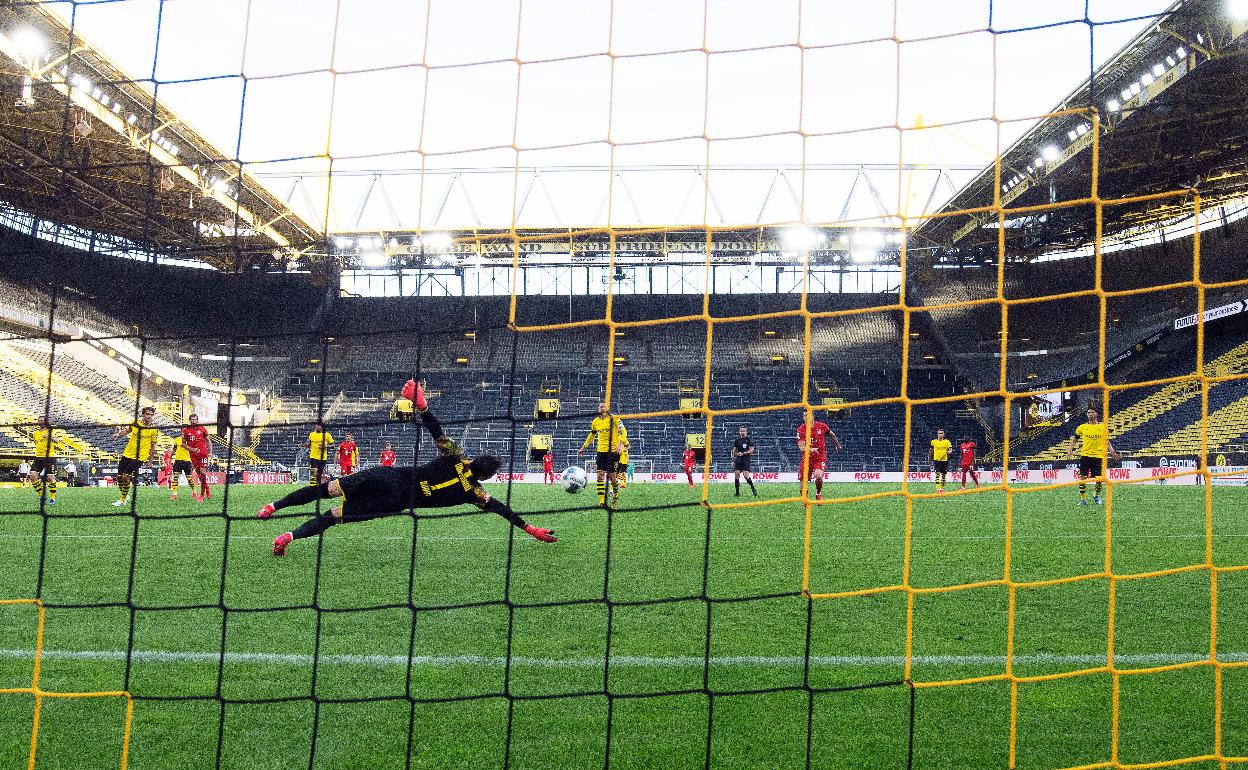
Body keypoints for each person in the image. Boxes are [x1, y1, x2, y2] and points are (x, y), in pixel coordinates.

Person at [258, 380, 556, 556]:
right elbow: (501, 508)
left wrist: (422, 405)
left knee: (325, 489)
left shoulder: (456, 457)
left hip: (390, 476)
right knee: (333, 516)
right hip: (394, 501)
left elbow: (435, 431)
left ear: (474, 460)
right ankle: (288, 537)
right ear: (487, 476)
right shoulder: (476, 493)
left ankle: (274, 505)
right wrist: (530, 529)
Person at [1066, 406, 1120, 505]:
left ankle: (1096, 496)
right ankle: (1083, 499)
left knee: (1099, 479)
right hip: (1085, 456)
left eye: (1092, 412)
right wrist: (1070, 450)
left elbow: (1106, 441)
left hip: (1099, 456)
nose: (1090, 414)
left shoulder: (1103, 426)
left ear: (1096, 414)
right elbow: (1074, 440)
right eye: (1088, 412)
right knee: (1082, 478)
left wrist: (1112, 451)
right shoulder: (1082, 427)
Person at [578, 402, 624, 509]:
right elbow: (592, 435)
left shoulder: (615, 418)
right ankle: (602, 502)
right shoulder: (595, 421)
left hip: (613, 451)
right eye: (601, 406)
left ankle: (615, 497)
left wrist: (621, 444)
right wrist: (584, 447)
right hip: (601, 452)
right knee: (599, 476)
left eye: (604, 406)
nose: (603, 408)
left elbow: (623, 431)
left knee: (612, 477)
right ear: (598, 409)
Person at [112, 406, 159, 506]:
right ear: (143, 414)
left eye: (151, 414)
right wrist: (118, 434)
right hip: (128, 453)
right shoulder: (136, 423)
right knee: (119, 477)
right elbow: (127, 431)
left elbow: (153, 446)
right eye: (147, 414)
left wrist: (150, 461)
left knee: (126, 476)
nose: (149, 416)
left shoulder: (154, 429)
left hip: (140, 455)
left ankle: (123, 500)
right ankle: (124, 495)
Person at [796, 416, 841, 501]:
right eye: (804, 416)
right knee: (803, 483)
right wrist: (811, 449)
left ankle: (818, 493)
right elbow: (802, 448)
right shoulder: (801, 429)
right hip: (807, 459)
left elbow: (832, 435)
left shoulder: (822, 426)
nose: (806, 417)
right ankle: (805, 500)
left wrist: (838, 445)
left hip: (820, 457)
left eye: (807, 415)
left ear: (812, 416)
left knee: (818, 476)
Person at [29, 416, 62, 505]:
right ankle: (42, 496)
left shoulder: (51, 430)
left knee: (50, 478)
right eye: (39, 421)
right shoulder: (35, 433)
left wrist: (49, 437)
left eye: (43, 421)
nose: (41, 422)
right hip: (38, 457)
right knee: (33, 476)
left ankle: (52, 498)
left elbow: (58, 441)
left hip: (49, 457)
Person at [181, 413, 212, 500]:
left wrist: (210, 452)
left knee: (202, 472)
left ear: (197, 420)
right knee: (199, 474)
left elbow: (208, 441)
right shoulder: (186, 431)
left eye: (195, 419)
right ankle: (207, 488)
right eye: (192, 419)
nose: (194, 421)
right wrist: (192, 449)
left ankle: (202, 495)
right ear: (189, 420)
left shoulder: (202, 428)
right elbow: (183, 444)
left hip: (203, 454)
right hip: (193, 455)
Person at [731, 426, 758, 497]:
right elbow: (734, 451)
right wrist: (734, 459)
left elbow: (751, 450)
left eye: (743, 431)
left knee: (746, 476)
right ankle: (737, 493)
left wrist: (743, 453)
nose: (742, 432)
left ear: (746, 432)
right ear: (739, 432)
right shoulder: (737, 440)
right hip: (738, 460)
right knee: (736, 474)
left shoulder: (749, 440)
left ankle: (753, 488)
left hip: (746, 460)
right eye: (741, 431)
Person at [168, 436, 196, 501]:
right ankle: (174, 494)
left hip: (187, 461)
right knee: (175, 477)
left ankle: (194, 491)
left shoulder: (191, 439)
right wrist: (170, 457)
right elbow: (174, 449)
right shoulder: (177, 439)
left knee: (189, 479)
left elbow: (193, 450)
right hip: (178, 461)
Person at [929, 429, 951, 493]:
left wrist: (949, 452)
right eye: (939, 433)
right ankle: (938, 489)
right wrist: (929, 458)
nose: (940, 434)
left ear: (943, 434)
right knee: (937, 473)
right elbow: (931, 451)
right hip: (937, 460)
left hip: (944, 460)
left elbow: (950, 450)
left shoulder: (947, 442)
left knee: (943, 474)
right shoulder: (933, 442)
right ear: (937, 434)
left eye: (942, 433)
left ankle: (942, 486)